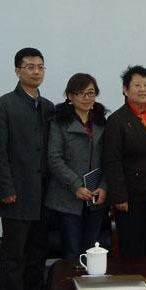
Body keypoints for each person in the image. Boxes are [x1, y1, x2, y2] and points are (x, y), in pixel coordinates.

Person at [0, 47, 54, 290]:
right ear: (17, 71)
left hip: (43, 195)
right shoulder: (3, 106)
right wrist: (6, 188)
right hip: (16, 194)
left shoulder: (48, 107)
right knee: (14, 258)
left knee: (37, 254)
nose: (36, 71)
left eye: (40, 66)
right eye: (29, 67)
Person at [102, 65, 146, 257]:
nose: (143, 89)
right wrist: (119, 196)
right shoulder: (117, 120)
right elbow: (112, 161)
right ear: (125, 90)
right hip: (131, 198)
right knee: (133, 250)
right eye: (137, 85)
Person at [46, 73, 108, 261]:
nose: (86, 98)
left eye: (91, 93)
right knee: (72, 253)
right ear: (70, 96)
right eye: (81, 93)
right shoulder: (59, 122)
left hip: (96, 197)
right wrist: (76, 186)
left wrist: (104, 187)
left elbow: (109, 159)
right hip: (68, 196)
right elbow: (54, 158)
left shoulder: (101, 122)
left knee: (93, 251)